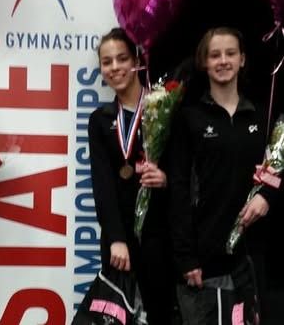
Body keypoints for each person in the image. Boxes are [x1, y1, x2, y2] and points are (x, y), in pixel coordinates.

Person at [168, 27, 279, 324]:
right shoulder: (189, 117)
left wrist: (267, 197)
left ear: (242, 59)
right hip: (205, 257)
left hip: (253, 253)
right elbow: (177, 188)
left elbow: (277, 169)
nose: (223, 60)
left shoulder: (261, 114)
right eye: (214, 54)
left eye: (231, 53)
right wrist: (185, 256)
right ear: (204, 61)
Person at [88, 27, 176, 325]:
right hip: (119, 241)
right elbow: (102, 184)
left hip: (159, 235)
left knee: (160, 313)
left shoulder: (163, 106)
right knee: (118, 317)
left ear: (136, 61)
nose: (114, 68)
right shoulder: (100, 120)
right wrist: (115, 238)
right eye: (107, 62)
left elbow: (185, 170)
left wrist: (165, 179)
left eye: (121, 59)